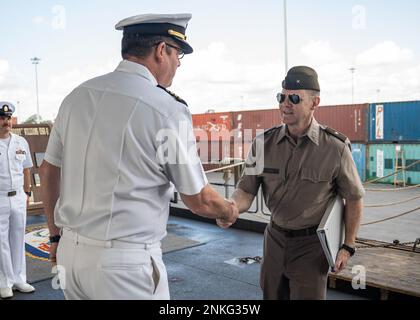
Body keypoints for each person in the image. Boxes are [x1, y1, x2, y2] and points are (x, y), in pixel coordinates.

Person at [40, 13, 238, 300]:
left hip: (71, 254)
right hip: (124, 266)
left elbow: (48, 171)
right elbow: (200, 199)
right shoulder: (167, 108)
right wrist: (228, 210)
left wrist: (55, 237)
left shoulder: (76, 97)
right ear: (161, 50)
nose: (178, 64)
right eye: (178, 54)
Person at [228, 66, 365, 300]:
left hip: (311, 247)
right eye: (281, 97)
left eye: (294, 98)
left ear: (314, 103)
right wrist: (230, 207)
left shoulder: (335, 148)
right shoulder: (263, 144)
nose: (285, 104)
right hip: (274, 241)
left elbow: (353, 197)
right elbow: (245, 189)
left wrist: (348, 246)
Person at [0, 102, 35, 299]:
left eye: (8, 118)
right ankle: (4, 282)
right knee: (1, 241)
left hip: (19, 197)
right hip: (0, 198)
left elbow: (26, 168)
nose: (6, 122)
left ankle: (19, 279)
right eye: (2, 118)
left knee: (18, 238)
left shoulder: (21, 142)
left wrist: (27, 193)